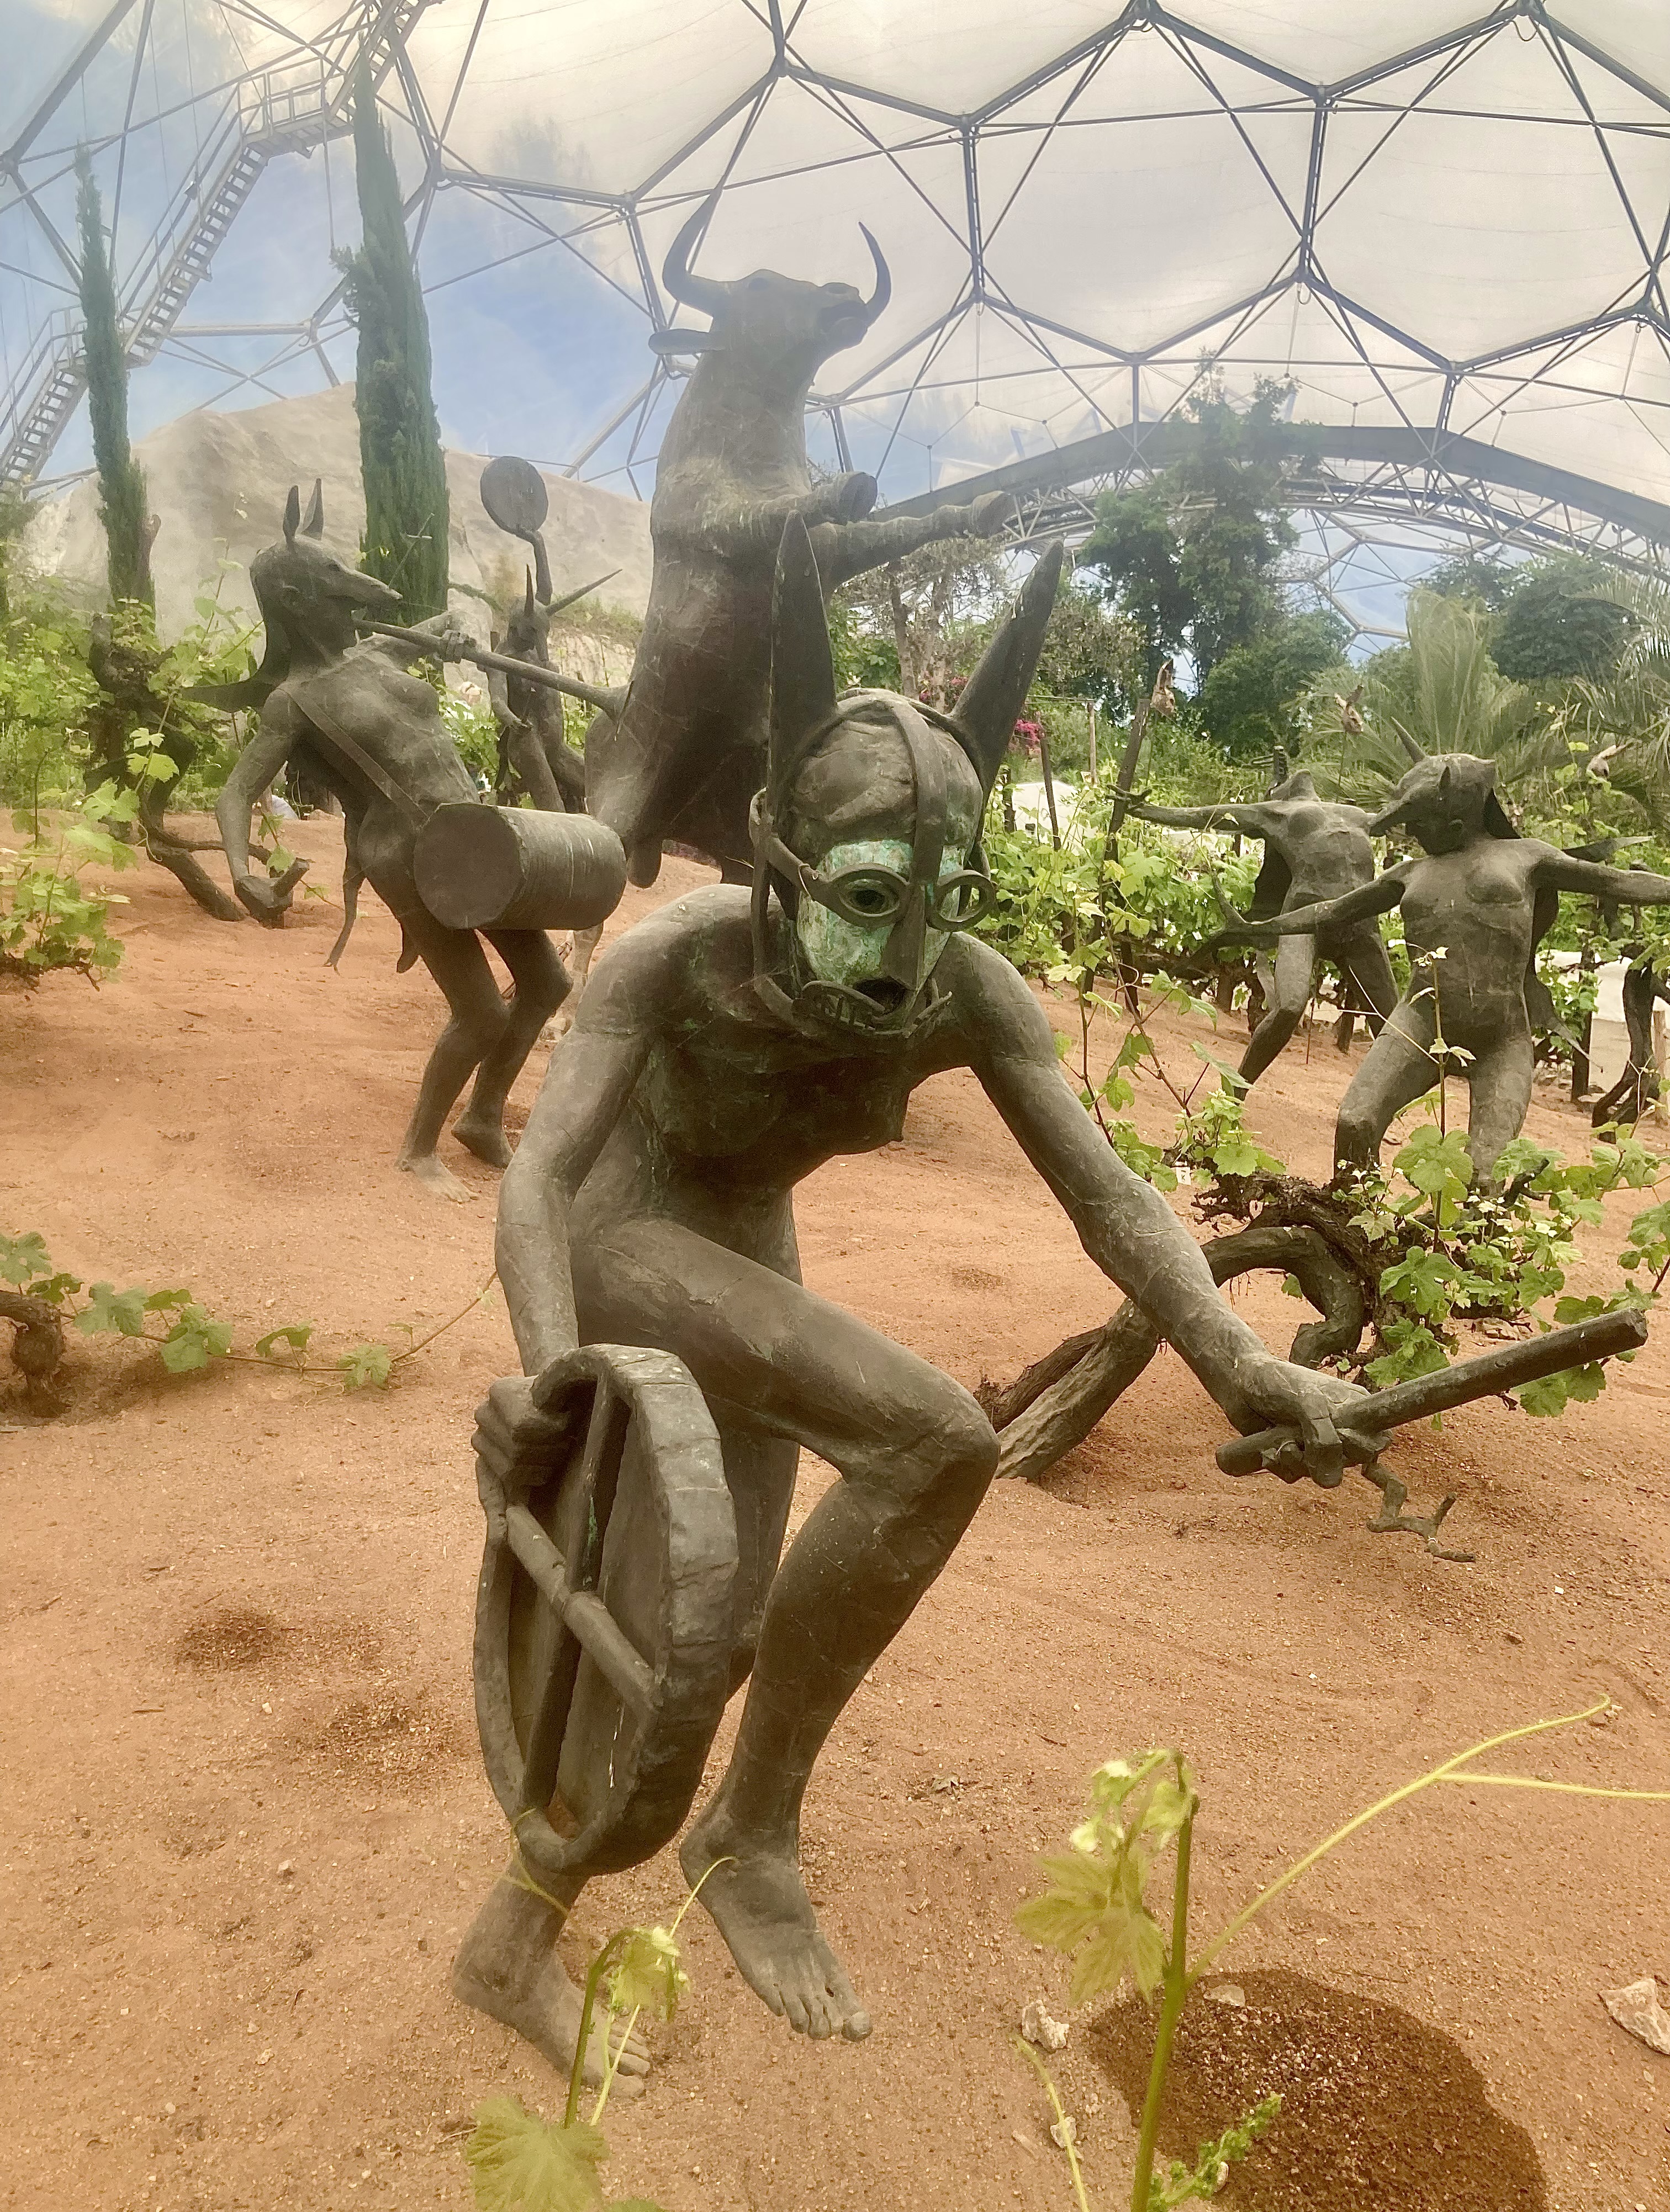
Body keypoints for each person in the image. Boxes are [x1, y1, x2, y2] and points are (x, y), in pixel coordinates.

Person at [453, 521, 1376, 2075]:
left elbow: (1108, 1193)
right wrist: (549, 1375)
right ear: (780, 853)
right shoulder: (674, 963)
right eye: (870, 893)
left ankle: (522, 1933)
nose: (903, 953)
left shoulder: (963, 989)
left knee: (716, 1625)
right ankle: (753, 1831)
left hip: (739, 1247)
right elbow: (540, 1178)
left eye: (945, 897)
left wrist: (1240, 1364)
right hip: (622, 1233)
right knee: (935, 1438)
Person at [216, 484, 570, 1201]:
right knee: (481, 1013)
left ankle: (483, 1117)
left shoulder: (379, 655)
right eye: (334, 577)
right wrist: (239, 869)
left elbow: (450, 621)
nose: (355, 586)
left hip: (473, 835)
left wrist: (459, 635)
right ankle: (418, 1151)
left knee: (547, 983)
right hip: (410, 855)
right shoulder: (294, 701)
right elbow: (235, 792)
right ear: (295, 596)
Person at [1210, 749, 1670, 1178]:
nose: (1411, 833)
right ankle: (1351, 1218)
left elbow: (1617, 882)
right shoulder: (1411, 873)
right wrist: (1256, 927)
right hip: (1420, 1025)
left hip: (1500, 1038)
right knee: (1355, 1122)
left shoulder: (1527, 857)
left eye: (1418, 822)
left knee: (1485, 1174)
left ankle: (1474, 1237)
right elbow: (1331, 912)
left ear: (1455, 821)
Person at [1121, 759, 1398, 1083]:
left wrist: (1147, 810)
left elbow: (1214, 814)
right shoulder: (1281, 812)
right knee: (1289, 1008)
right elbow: (1214, 815)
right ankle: (1239, 1088)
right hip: (1304, 920)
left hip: (1361, 922)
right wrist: (1147, 811)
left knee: (1393, 1025)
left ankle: (1390, 1103)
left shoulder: (1352, 815)